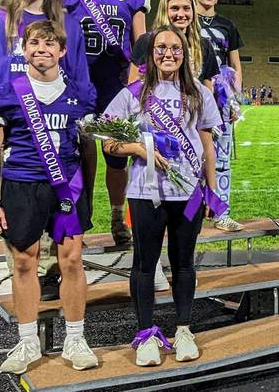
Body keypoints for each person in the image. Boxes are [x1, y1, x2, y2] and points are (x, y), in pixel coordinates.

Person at [0, 0, 90, 301]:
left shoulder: (67, 23)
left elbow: (80, 87)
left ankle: (69, 329)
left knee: (67, 254)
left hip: (62, 153)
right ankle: (28, 336)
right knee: (23, 258)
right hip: (17, 149)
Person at [0, 21, 98, 374]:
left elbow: (88, 149)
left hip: (67, 187)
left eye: (49, 44)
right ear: (24, 49)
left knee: (73, 261)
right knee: (23, 262)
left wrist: (88, 193)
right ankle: (27, 340)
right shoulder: (5, 91)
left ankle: (75, 338)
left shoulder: (82, 94)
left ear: (62, 51)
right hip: (21, 184)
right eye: (34, 43)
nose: (41, 49)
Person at [102, 25, 222, 366]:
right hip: (145, 192)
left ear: (184, 53)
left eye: (175, 48)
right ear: (150, 54)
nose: (168, 53)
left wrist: (212, 189)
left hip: (189, 193)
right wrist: (137, 148)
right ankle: (145, 335)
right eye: (160, 48)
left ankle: (183, 330)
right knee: (144, 263)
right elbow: (107, 140)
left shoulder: (199, 92)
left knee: (185, 263)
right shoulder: (132, 94)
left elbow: (207, 143)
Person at [63, 0, 151, 247]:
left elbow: (141, 44)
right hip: (76, 86)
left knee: (116, 154)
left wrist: (134, 85)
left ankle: (117, 216)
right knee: (77, 154)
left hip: (116, 87)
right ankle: (79, 218)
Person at [191, 0, 246, 232]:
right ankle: (191, 214)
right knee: (190, 154)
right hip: (189, 96)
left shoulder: (227, 24)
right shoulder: (185, 20)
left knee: (221, 158)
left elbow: (235, 65)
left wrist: (235, 99)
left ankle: (220, 211)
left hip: (220, 98)